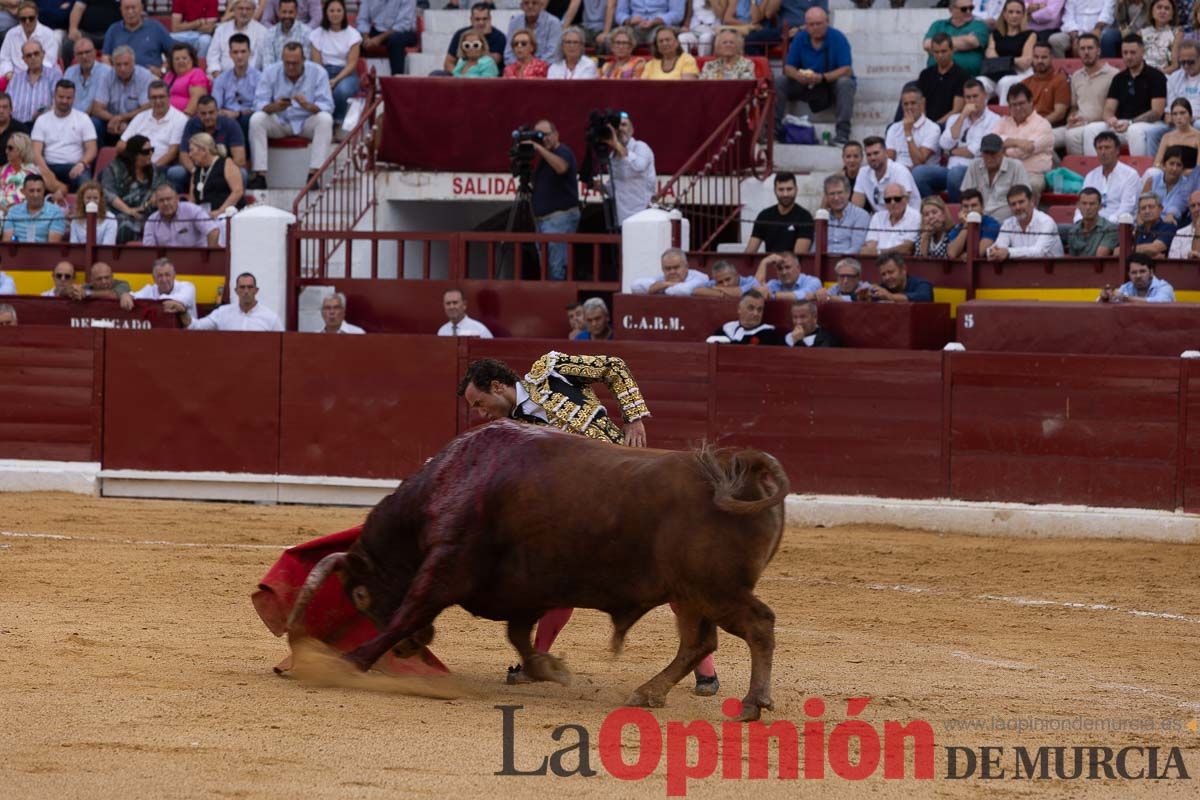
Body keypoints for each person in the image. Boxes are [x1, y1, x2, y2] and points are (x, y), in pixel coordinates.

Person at [247, 41, 333, 190]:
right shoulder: (270, 72)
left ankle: (314, 175)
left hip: (306, 120)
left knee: (325, 119)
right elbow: (258, 104)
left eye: (295, 63)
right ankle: (260, 175)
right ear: (282, 60)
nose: (291, 67)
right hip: (280, 120)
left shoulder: (318, 72)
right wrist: (274, 106)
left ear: (303, 60)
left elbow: (328, 106)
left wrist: (308, 105)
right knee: (256, 120)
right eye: (287, 63)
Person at [775, 7, 855, 145]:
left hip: (829, 82)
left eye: (819, 23)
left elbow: (846, 69)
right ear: (806, 25)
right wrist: (798, 76)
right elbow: (788, 68)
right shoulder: (800, 38)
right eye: (811, 24)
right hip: (805, 83)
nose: (815, 28)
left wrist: (823, 77)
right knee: (780, 81)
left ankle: (843, 133)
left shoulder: (838, 37)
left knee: (845, 83)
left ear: (827, 22)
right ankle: (773, 131)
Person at [1081, 33, 1168, 155]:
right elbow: (1109, 108)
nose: (1128, 57)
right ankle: (1094, 171)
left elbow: (1157, 112)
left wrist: (1131, 122)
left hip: (1149, 125)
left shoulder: (1156, 76)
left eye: (1133, 52)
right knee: (1091, 129)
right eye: (1125, 53)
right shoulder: (1119, 78)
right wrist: (1111, 120)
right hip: (1122, 124)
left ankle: (1140, 171)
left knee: (1135, 131)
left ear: (1142, 52)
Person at [916, 79, 999, 200]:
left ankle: (958, 211)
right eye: (968, 97)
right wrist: (962, 116)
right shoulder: (955, 118)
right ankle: (936, 206)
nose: (972, 101)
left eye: (975, 96)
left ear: (985, 96)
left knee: (955, 173)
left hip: (976, 171)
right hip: (950, 171)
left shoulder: (994, 120)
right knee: (918, 173)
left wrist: (951, 152)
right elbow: (944, 144)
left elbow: (975, 151)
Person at [528, 119, 579, 280]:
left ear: (556, 134)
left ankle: (558, 301)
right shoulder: (544, 159)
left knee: (556, 267)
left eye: (547, 135)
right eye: (539, 136)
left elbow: (561, 168)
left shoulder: (563, 151)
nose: (544, 139)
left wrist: (538, 148)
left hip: (559, 218)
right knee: (546, 267)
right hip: (543, 221)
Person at [31, 80, 97, 195]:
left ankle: (86, 212)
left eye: (69, 98)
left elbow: (92, 148)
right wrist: (45, 171)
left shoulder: (83, 118)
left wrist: (82, 163)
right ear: (54, 96)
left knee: (86, 183)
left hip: (75, 165)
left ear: (74, 98)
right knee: (31, 178)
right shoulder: (42, 120)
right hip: (48, 165)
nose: (64, 101)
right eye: (61, 97)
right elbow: (35, 152)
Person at [100, 133, 165, 242]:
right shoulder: (114, 168)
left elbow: (160, 186)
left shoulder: (153, 170)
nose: (150, 154)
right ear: (134, 154)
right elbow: (108, 193)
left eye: (151, 150)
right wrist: (129, 210)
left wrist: (155, 196)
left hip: (146, 212)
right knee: (125, 226)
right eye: (146, 152)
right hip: (120, 212)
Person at [991, 82, 1054, 194]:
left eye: (1021, 103)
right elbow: (991, 144)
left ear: (1031, 102)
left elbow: (1024, 151)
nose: (1018, 108)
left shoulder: (1043, 124)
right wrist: (1016, 142)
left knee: (1030, 185)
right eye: (1014, 105)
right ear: (1009, 106)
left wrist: (1004, 147)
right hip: (1005, 172)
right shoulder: (1003, 122)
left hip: (1032, 173)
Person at [1063, 32, 1120, 153]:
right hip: (1079, 124)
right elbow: (1074, 107)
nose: (1086, 52)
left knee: (1080, 133)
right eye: (1082, 49)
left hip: (1103, 124)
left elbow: (1116, 107)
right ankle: (1075, 170)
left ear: (1098, 51)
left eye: (1090, 48)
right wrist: (1072, 118)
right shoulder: (1076, 76)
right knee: (1047, 137)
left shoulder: (1114, 74)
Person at [174, 95, 248, 189]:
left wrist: (215, 172)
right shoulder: (191, 124)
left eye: (211, 112)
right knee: (175, 172)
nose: (208, 117)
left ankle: (238, 204)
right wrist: (194, 171)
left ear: (218, 111)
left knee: (242, 173)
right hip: (197, 169)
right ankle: (180, 203)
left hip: (223, 170)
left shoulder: (231, 125)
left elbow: (240, 159)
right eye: (203, 113)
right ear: (198, 114)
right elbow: (183, 155)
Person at [308, 0, 360, 128]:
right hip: (322, 72)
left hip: (346, 74)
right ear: (325, 13)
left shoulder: (353, 34)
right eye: (331, 11)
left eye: (338, 10)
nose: (335, 14)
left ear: (344, 13)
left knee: (341, 91)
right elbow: (317, 64)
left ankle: (337, 123)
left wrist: (336, 80)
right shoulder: (316, 34)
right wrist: (325, 80)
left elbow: (352, 64)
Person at [599, 111, 655, 226]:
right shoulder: (612, 156)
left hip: (643, 218)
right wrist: (599, 186)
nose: (620, 129)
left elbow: (639, 166)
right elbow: (615, 189)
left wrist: (616, 144)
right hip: (622, 221)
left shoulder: (640, 147)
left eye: (624, 125)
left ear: (632, 129)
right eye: (617, 126)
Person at [959, 132, 1031, 220]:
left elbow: (1024, 198)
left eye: (993, 153)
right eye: (986, 153)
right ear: (981, 153)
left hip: (1006, 220)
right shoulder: (974, 165)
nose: (989, 157)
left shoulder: (1016, 166)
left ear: (1002, 152)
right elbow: (965, 195)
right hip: (978, 218)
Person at [120, 80, 188, 172]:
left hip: (159, 168)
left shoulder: (180, 119)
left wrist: (150, 169)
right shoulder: (140, 116)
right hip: (133, 166)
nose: (158, 101)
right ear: (148, 99)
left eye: (161, 97)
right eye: (154, 98)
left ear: (169, 97)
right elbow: (121, 144)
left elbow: (172, 152)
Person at [181, 271, 283, 330]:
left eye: (250, 287)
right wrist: (182, 310)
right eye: (242, 287)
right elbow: (196, 326)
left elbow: (281, 345)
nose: (246, 291)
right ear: (236, 291)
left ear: (256, 290)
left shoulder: (271, 318)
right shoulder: (222, 313)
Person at [91, 45, 153, 143]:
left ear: (133, 63)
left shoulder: (144, 76)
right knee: (94, 123)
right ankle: (97, 157)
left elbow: (147, 107)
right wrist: (115, 120)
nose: (122, 68)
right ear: (113, 65)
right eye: (118, 65)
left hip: (135, 120)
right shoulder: (107, 76)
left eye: (126, 64)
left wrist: (122, 118)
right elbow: (96, 109)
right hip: (110, 120)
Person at [988, 183, 1065, 258]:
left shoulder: (1046, 222)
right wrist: (993, 252)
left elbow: (1039, 252)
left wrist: (1008, 252)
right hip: (1022, 269)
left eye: (1021, 202)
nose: (1017, 207)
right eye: (1013, 204)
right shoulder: (1008, 224)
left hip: (1053, 269)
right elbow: (999, 248)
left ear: (1031, 201)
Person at [1080, 129, 1142, 222]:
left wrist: (1104, 224)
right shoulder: (1091, 176)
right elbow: (1082, 203)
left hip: (1117, 226)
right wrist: (1079, 221)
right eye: (1099, 148)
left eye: (1107, 147)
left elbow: (1127, 208)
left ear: (1117, 150)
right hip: (1091, 226)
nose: (1103, 152)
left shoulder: (1130, 175)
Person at [745, 172, 813, 254]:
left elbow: (798, 257)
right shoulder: (764, 215)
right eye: (781, 189)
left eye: (789, 189)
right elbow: (749, 253)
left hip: (793, 266)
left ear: (796, 190)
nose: (785, 194)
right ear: (775, 191)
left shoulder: (804, 217)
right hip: (769, 264)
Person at [102, 0, 174, 73]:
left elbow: (175, 52)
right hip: (121, 79)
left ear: (141, 8)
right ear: (121, 10)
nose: (130, 12)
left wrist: (162, 70)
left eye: (133, 8)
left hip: (151, 79)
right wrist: (112, 74)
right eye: (126, 8)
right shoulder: (113, 30)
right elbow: (106, 57)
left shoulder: (156, 28)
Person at [211, 33, 259, 141]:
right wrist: (222, 112)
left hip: (247, 118)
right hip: (226, 117)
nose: (239, 56)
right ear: (230, 54)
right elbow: (215, 105)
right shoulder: (221, 79)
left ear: (249, 53)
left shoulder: (259, 78)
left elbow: (259, 107)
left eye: (243, 51)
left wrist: (238, 114)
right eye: (235, 52)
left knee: (248, 120)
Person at [923, 0, 991, 77]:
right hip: (935, 76)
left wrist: (940, 43)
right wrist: (963, 40)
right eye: (964, 9)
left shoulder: (979, 25)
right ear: (951, 10)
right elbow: (927, 44)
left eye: (971, 8)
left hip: (968, 78)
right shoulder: (938, 25)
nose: (969, 11)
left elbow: (973, 42)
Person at [852, 136, 920, 212]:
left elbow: (902, 205)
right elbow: (856, 207)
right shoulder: (863, 172)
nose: (872, 158)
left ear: (886, 152)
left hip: (906, 217)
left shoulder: (900, 171)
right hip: (881, 219)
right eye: (869, 155)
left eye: (876, 153)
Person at [63, 37, 112, 142]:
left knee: (93, 123)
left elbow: (96, 105)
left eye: (87, 52)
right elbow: (64, 97)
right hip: (71, 116)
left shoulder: (106, 72)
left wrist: (78, 121)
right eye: (80, 53)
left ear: (95, 52)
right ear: (75, 56)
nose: (84, 56)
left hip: (93, 117)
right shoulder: (70, 72)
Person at [884, 86, 942, 173]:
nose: (909, 107)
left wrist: (908, 132)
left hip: (922, 173)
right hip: (898, 172)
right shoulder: (893, 128)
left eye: (913, 103)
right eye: (906, 104)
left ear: (921, 104)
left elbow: (919, 162)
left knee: (918, 172)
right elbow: (889, 158)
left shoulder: (933, 128)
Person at [185, 132, 243, 217]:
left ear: (204, 150)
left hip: (227, 215)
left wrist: (220, 211)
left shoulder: (226, 163)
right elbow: (192, 200)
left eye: (191, 150)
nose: (189, 155)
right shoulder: (196, 171)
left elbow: (237, 191)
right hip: (205, 217)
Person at [142, 183, 220, 246]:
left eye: (169, 199)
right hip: (168, 263)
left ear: (177, 199)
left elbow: (213, 231)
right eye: (161, 200)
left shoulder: (192, 210)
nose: (165, 203)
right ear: (156, 203)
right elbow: (149, 250)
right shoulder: (151, 220)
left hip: (195, 260)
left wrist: (209, 258)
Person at [987, 0, 1035, 99]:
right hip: (997, 74)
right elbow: (990, 56)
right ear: (1004, 14)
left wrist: (1003, 61)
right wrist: (1013, 60)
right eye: (1011, 12)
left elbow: (1025, 63)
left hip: (1020, 74)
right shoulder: (995, 34)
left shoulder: (1030, 34)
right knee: (980, 82)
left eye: (1018, 12)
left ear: (1023, 15)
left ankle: (1005, 113)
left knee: (1006, 82)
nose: (1014, 16)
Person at [206, 0, 268, 77]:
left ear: (253, 11)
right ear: (234, 10)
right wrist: (219, 78)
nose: (244, 12)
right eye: (240, 8)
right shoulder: (221, 30)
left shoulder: (262, 32)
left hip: (251, 80)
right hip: (222, 78)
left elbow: (265, 62)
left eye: (248, 9)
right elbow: (212, 57)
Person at [917, 33, 967, 125]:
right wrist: (925, 125)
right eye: (936, 52)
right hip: (925, 124)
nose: (940, 55)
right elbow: (920, 105)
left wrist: (935, 126)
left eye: (944, 51)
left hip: (947, 125)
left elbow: (956, 110)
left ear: (952, 51)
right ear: (932, 52)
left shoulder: (961, 75)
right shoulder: (925, 75)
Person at [0, 2, 59, 81]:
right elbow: (4, 58)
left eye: (31, 18)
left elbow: (49, 62)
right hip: (13, 76)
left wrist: (30, 75)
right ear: (19, 19)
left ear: (37, 16)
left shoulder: (48, 34)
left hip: (41, 76)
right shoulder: (11, 34)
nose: (27, 22)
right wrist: (9, 73)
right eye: (23, 19)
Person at [1019, 43, 1070, 131]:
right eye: (1036, 57)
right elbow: (1018, 111)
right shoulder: (1024, 83)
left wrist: (1037, 125)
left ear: (1051, 58)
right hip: (1027, 127)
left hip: (1052, 128)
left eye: (1044, 57)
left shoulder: (1060, 80)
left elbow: (1059, 113)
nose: (1039, 61)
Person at [9, 39, 60, 126]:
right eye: (29, 55)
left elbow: (58, 103)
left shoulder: (54, 75)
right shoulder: (16, 79)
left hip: (45, 126)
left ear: (43, 54)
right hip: (17, 128)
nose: (33, 57)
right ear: (24, 59)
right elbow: (7, 103)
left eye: (36, 53)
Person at [861, 182, 920, 256]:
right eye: (888, 200)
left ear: (906, 199)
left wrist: (879, 252)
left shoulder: (916, 217)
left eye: (897, 199)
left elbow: (907, 248)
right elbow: (870, 247)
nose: (892, 203)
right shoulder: (877, 217)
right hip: (877, 262)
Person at [709, 289, 785, 345]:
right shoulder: (725, 330)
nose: (756, 313)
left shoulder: (770, 334)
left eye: (759, 309)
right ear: (739, 309)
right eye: (751, 308)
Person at [444, 3, 505, 73]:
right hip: (461, 74)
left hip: (487, 77)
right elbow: (448, 63)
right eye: (477, 19)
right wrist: (459, 75)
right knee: (437, 73)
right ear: (471, 20)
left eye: (485, 19)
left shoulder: (499, 37)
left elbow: (491, 62)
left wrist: (481, 36)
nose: (481, 22)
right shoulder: (461, 34)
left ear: (490, 19)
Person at [2, 174, 65, 241]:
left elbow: (53, 247)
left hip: (44, 251)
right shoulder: (13, 211)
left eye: (39, 190)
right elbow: (7, 242)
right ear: (23, 192)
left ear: (44, 191)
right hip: (17, 251)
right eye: (31, 191)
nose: (36, 195)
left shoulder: (56, 213)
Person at [131, 256, 197, 316]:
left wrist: (156, 303)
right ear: (154, 278)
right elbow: (133, 296)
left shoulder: (188, 287)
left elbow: (182, 299)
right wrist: (127, 295)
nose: (164, 280)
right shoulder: (149, 289)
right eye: (160, 276)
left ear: (174, 275)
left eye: (167, 275)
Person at [946, 188, 1001, 258]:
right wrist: (966, 226)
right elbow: (952, 254)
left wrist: (961, 256)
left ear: (982, 207)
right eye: (966, 206)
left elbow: (978, 254)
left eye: (974, 205)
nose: (970, 210)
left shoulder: (992, 224)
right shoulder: (959, 226)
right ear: (961, 209)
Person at [1050, 0, 1117, 58]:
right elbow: (1068, 17)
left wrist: (1097, 29)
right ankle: (1064, 69)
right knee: (1055, 39)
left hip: (1100, 31)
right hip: (1075, 32)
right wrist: (1075, 38)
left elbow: (1107, 13)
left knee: (1108, 37)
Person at [823, 173, 870, 254]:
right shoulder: (823, 217)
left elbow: (857, 247)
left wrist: (837, 261)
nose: (836, 198)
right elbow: (816, 247)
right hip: (824, 262)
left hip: (849, 262)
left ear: (848, 193)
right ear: (826, 197)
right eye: (832, 194)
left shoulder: (861, 215)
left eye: (840, 192)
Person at [1150, 99, 1200, 173]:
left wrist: (1179, 173)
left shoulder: (1198, 137)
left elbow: (1198, 168)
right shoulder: (1167, 137)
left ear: (1190, 115)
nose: (1179, 117)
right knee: (1152, 172)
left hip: (1192, 178)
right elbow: (1157, 164)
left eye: (1182, 113)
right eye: (1175, 114)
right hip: (1169, 176)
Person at [630, 246, 708, 294]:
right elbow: (635, 285)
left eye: (676, 267)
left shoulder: (700, 277)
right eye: (667, 268)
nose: (672, 272)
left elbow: (682, 291)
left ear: (686, 266)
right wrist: (665, 284)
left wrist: (659, 287)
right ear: (662, 269)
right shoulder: (662, 279)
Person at [1099, 252, 1176, 300]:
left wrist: (1125, 298)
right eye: (1134, 272)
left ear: (1151, 272)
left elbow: (1158, 303)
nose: (1138, 276)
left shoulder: (1164, 287)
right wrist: (1105, 297)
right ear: (1128, 274)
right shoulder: (1126, 288)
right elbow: (1099, 303)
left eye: (1142, 271)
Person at [858, 254, 934, 302]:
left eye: (891, 272)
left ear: (903, 270)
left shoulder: (922, 284)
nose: (887, 277)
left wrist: (891, 297)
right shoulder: (882, 288)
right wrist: (865, 298)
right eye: (883, 274)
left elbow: (924, 297)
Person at [1066, 187, 1119, 255]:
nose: (1088, 208)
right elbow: (1072, 261)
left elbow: (1100, 256)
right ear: (1078, 205)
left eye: (1092, 204)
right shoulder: (1073, 230)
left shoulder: (1110, 229)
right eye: (1084, 203)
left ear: (1100, 206)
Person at [1145, 144, 1190, 221]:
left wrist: (1170, 214)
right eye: (1171, 163)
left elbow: (1178, 205)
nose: (1174, 168)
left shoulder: (1187, 185)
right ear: (1164, 164)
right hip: (1150, 221)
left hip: (1172, 223)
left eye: (1179, 165)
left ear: (1183, 168)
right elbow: (1143, 204)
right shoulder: (1151, 181)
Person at [164, 42, 210, 116]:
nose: (181, 61)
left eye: (184, 58)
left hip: (185, 118)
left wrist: (185, 117)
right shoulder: (169, 75)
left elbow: (197, 99)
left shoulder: (196, 73)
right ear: (172, 62)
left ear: (192, 59)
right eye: (177, 59)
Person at [261, 0, 311, 67]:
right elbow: (267, 65)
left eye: (290, 12)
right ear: (279, 12)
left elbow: (306, 63)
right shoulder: (270, 34)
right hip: (275, 76)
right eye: (284, 12)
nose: (287, 16)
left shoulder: (307, 33)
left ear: (296, 13)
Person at [614, 0, 686, 46]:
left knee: (660, 39)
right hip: (634, 26)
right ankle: (623, 68)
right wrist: (629, 20)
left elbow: (677, 14)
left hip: (660, 25)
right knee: (612, 39)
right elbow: (620, 13)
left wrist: (656, 21)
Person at [754, 251, 821, 300]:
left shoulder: (813, 281)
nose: (784, 272)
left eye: (787, 267)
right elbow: (755, 293)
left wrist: (771, 295)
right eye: (780, 268)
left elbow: (802, 296)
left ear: (798, 268)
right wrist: (764, 262)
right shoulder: (773, 284)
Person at [68, 179, 118, 243]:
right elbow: (74, 246)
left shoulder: (110, 218)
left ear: (100, 199)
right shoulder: (75, 220)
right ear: (82, 199)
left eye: (95, 198)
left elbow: (108, 246)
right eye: (88, 198)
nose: (92, 201)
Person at [1139, 0, 1181, 72]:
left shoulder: (1177, 34)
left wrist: (1157, 75)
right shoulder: (1140, 33)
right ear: (1152, 12)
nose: (1163, 11)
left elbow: (1175, 65)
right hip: (1143, 74)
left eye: (1167, 8)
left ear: (1172, 15)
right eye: (1159, 7)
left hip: (1166, 75)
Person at [0, 131, 35, 213]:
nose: (6, 151)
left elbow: (19, 206)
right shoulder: (4, 169)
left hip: (15, 217)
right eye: (6, 148)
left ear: (21, 150)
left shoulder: (30, 174)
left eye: (10, 148)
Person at [693, 259, 762, 297]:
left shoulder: (751, 281)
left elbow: (740, 293)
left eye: (728, 279)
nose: (725, 284)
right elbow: (696, 291)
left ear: (736, 274)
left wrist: (718, 288)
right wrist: (722, 294)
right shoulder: (715, 282)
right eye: (720, 282)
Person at [1168, 189, 1200, 254]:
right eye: (1193, 206)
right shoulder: (1180, 233)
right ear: (1189, 209)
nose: (1197, 209)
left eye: (1199, 204)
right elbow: (1173, 262)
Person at [0, 94, 27, 158]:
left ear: (11, 109)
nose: (1, 111)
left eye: (5, 107)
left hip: (12, 166)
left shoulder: (21, 129)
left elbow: (26, 157)